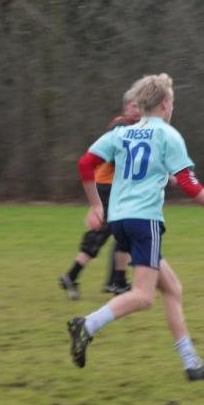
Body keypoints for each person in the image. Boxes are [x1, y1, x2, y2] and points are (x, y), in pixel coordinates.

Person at [67, 73, 204, 381]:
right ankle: (87, 325)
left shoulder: (123, 133)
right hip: (144, 221)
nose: (173, 108)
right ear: (164, 104)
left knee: (172, 287)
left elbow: (85, 164)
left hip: (119, 220)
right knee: (143, 296)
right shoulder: (168, 135)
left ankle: (192, 365)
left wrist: (96, 205)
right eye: (173, 102)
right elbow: (188, 182)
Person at [58, 88, 141, 300]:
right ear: (126, 107)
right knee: (112, 232)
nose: (138, 110)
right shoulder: (120, 125)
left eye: (141, 106)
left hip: (115, 187)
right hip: (107, 186)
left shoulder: (138, 128)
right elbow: (118, 155)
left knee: (111, 233)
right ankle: (116, 281)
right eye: (134, 106)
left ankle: (80, 276)